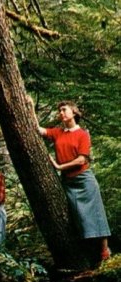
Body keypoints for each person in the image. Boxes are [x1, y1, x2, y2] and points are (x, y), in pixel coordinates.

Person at [36, 100, 111, 262]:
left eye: (64, 110)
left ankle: (104, 251)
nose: (61, 113)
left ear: (74, 112)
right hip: (68, 183)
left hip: (84, 180)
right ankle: (88, 252)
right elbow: (39, 130)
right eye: (59, 111)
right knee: (78, 217)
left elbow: (81, 160)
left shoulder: (83, 134)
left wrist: (59, 166)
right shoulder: (58, 132)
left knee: (96, 214)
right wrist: (28, 106)